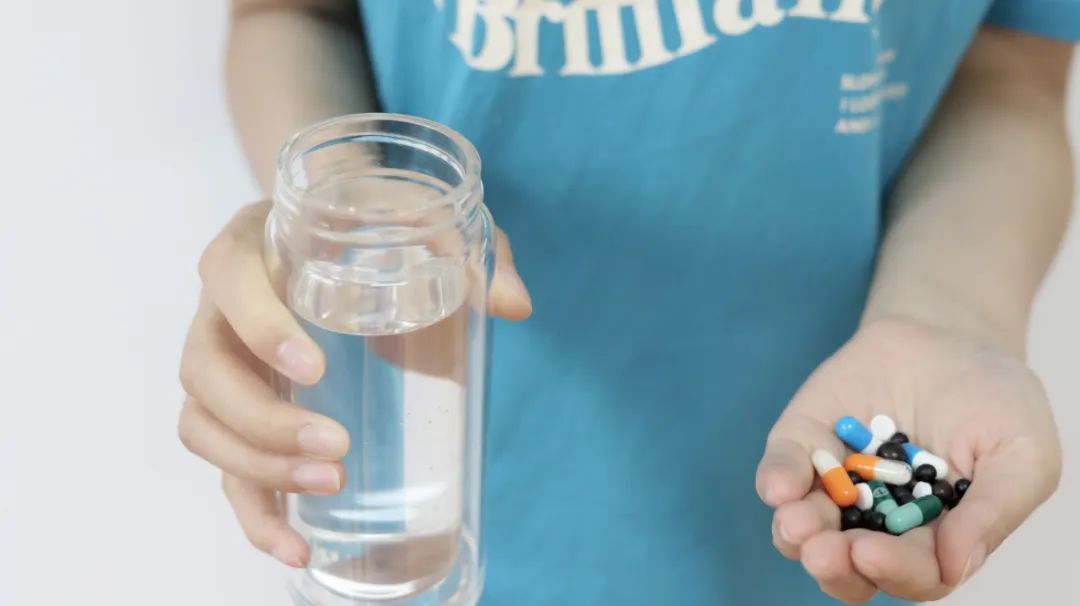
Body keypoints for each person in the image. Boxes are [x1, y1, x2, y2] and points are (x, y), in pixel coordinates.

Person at [177, 1, 1079, 604]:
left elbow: (1009, 72)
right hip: (428, 513)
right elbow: (291, 11)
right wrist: (335, 218)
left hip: (815, 524)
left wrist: (954, 316)